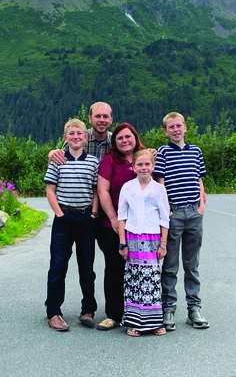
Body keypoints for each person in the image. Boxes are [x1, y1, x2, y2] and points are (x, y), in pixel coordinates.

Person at [153, 112, 209, 331]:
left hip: (194, 212)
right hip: (174, 213)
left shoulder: (196, 151)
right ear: (166, 131)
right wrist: (167, 210)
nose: (175, 130)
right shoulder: (164, 152)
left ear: (185, 127)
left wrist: (201, 205)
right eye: (171, 127)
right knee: (170, 264)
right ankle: (168, 308)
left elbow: (198, 177)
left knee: (192, 264)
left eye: (179, 126)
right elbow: (161, 181)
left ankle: (194, 309)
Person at [44, 118, 100, 331]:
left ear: (86, 137)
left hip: (86, 218)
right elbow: (50, 190)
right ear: (65, 137)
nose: (76, 137)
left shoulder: (93, 162)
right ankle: (53, 312)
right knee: (58, 266)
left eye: (79, 134)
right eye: (71, 134)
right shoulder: (58, 160)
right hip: (64, 218)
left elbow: (95, 190)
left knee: (87, 266)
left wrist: (94, 213)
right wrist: (59, 214)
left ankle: (88, 310)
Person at [95, 122, 148, 331]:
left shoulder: (144, 158)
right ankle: (114, 314)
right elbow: (103, 191)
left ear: (135, 137)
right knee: (114, 268)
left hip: (142, 226)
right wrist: (114, 218)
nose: (125, 141)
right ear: (114, 142)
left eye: (128, 137)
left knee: (142, 268)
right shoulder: (109, 161)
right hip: (112, 225)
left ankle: (141, 311)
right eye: (120, 138)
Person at [117, 150, 170, 337]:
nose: (144, 168)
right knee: (134, 278)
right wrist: (122, 243)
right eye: (140, 164)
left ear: (153, 167)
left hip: (152, 239)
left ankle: (155, 322)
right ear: (133, 167)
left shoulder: (159, 189)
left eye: (147, 164)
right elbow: (121, 217)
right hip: (132, 238)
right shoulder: (127, 188)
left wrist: (163, 244)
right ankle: (135, 322)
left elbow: (165, 218)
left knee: (152, 279)